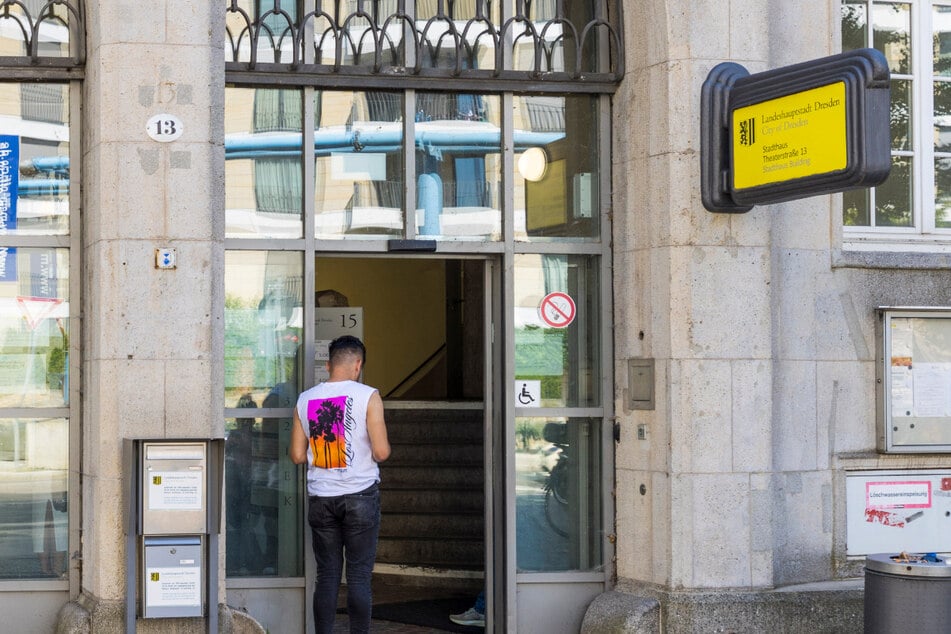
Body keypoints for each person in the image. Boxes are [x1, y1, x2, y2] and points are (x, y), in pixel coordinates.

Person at [289, 335, 391, 634]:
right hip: (360, 496)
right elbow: (382, 452)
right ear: (357, 365)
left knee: (327, 575)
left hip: (322, 498)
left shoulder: (306, 399)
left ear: (328, 364)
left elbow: (296, 455)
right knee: (359, 576)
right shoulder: (368, 396)